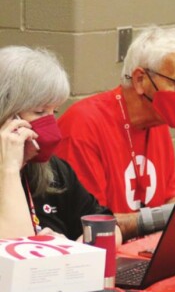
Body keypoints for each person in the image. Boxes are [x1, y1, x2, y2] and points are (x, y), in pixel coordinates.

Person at [56, 27, 175, 234]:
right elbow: (91, 223)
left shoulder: (158, 121)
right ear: (140, 79)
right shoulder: (84, 125)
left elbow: (170, 199)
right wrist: (168, 216)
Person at [0, 46, 125, 244]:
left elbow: (108, 229)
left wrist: (71, 250)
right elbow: (14, 254)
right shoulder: (7, 172)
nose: (50, 125)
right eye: (39, 112)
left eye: (54, 112)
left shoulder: (55, 170)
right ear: (6, 114)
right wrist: (9, 169)